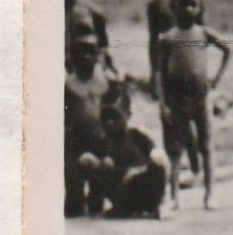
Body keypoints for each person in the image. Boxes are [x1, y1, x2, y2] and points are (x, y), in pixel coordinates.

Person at [157, 0, 230, 209]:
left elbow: (227, 50)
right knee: (175, 149)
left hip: (201, 97)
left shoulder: (203, 33)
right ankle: (173, 197)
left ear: (199, 8)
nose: (187, 8)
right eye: (183, 3)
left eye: (193, 4)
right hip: (175, 100)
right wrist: (162, 104)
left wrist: (215, 79)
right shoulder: (168, 37)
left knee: (206, 145)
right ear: (174, 7)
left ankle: (210, 194)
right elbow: (160, 73)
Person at [147, 0, 198, 176]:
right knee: (169, 119)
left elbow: (201, 35)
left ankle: (197, 167)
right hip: (168, 69)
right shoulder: (157, 5)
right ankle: (173, 170)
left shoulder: (194, 1)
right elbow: (153, 40)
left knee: (193, 121)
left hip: (190, 66)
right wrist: (153, 71)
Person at [65, 36, 118, 217]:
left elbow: (117, 109)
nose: (86, 57)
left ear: (97, 56)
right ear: (72, 57)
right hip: (74, 140)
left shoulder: (106, 82)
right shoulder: (67, 84)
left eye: (90, 52)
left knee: (97, 201)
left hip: (99, 139)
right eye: (81, 52)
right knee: (73, 204)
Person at [87, 103, 169, 218]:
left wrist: (136, 170)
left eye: (115, 118)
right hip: (121, 188)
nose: (110, 123)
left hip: (142, 184)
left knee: (158, 167)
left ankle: (155, 206)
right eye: (106, 119)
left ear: (125, 117)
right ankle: (114, 207)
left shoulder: (137, 136)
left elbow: (157, 158)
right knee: (90, 163)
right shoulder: (102, 143)